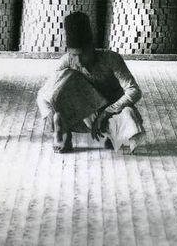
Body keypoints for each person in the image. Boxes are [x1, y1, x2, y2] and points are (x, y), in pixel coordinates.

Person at [37, 11, 146, 153]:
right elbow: (43, 93)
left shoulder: (111, 59)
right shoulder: (67, 62)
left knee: (129, 114)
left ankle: (113, 135)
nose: (78, 61)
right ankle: (63, 133)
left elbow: (134, 90)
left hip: (110, 114)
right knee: (64, 79)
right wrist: (51, 114)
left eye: (82, 55)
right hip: (81, 117)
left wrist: (106, 112)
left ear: (91, 48)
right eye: (73, 55)